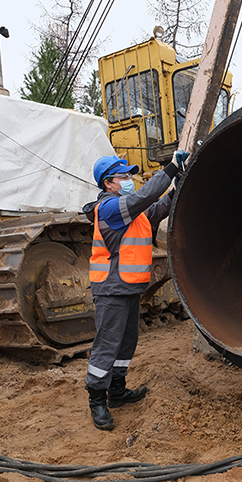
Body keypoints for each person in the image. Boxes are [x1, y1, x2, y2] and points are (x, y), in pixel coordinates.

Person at [83, 152, 182, 431]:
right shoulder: (110, 208)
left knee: (126, 343)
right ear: (108, 184)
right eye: (124, 177)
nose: (130, 181)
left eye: (129, 176)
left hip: (128, 288)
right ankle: (97, 401)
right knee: (107, 345)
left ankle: (117, 392)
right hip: (112, 289)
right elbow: (145, 198)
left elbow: (157, 208)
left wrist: (176, 189)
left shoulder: (131, 212)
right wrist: (172, 168)